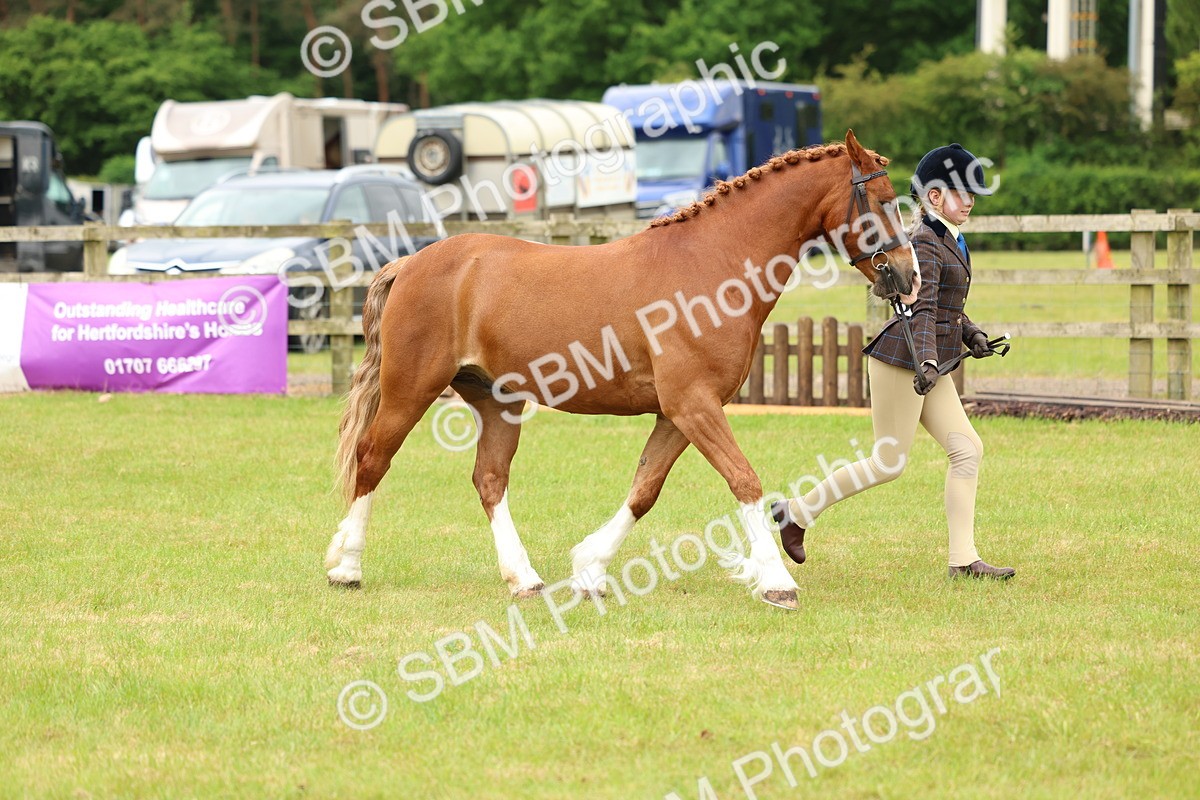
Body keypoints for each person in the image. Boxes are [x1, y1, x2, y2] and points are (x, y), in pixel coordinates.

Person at [772, 143, 1014, 579]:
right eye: (963, 194)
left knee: (967, 450)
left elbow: (946, 306)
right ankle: (796, 513)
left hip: (928, 363)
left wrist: (971, 333)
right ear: (934, 196)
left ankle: (963, 560)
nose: (971, 202)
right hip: (904, 360)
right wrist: (927, 362)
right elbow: (920, 310)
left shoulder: (951, 237)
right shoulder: (924, 241)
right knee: (888, 462)